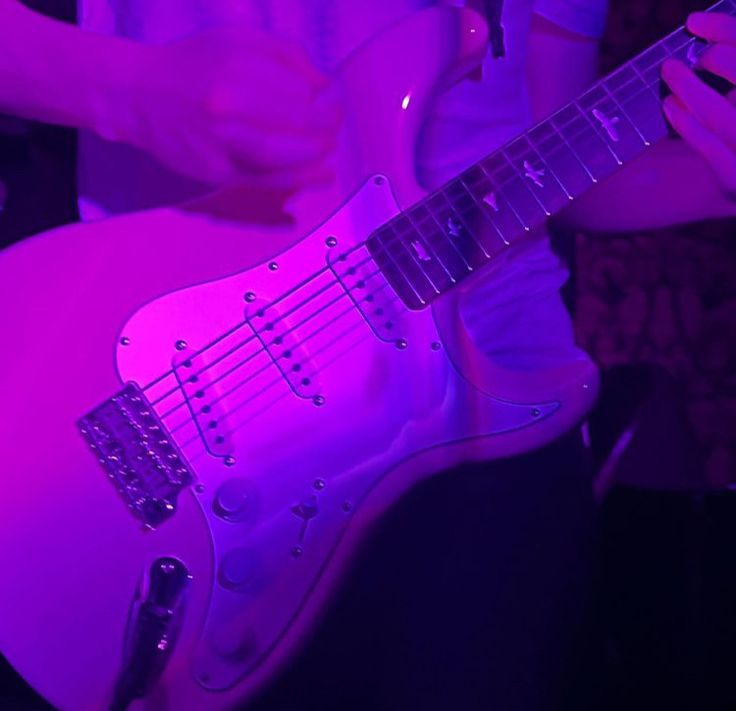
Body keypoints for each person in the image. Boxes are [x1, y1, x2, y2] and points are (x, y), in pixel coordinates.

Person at [1, 1, 736, 709]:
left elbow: (557, 143)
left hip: (475, 409)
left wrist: (716, 177)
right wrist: (125, 89)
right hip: (167, 382)